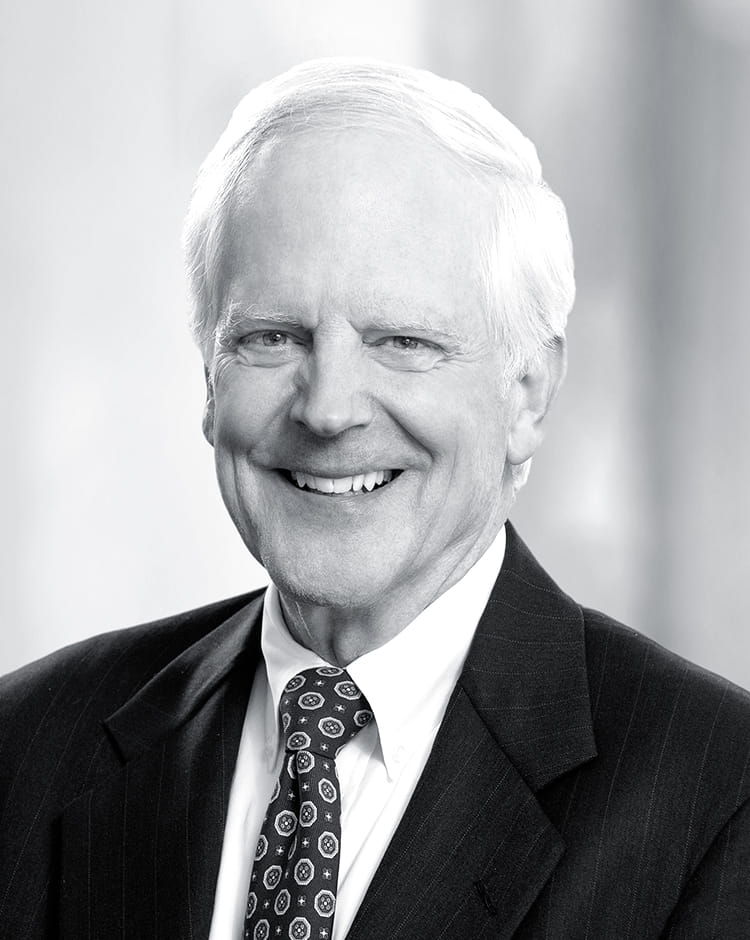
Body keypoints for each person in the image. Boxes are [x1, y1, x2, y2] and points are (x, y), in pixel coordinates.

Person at [1, 58, 748, 940]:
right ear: (209, 379)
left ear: (527, 394)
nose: (328, 410)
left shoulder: (716, 800)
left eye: (402, 341)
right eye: (272, 337)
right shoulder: (28, 744)